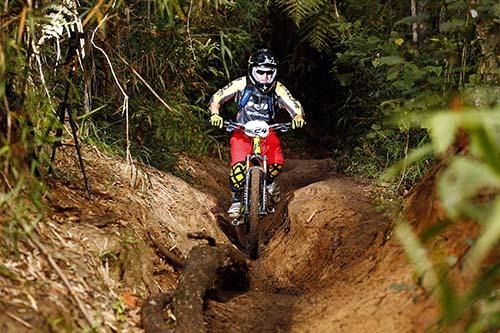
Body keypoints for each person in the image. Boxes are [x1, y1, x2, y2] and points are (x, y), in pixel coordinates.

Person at [208, 49, 305, 217]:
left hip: (267, 131)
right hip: (242, 131)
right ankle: (237, 200)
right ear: (252, 69)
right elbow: (217, 97)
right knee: (238, 167)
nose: (265, 76)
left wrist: (297, 117)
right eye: (260, 72)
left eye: (269, 72)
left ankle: (269, 183)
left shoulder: (278, 88)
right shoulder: (241, 84)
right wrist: (215, 114)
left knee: (276, 163)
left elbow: (293, 104)